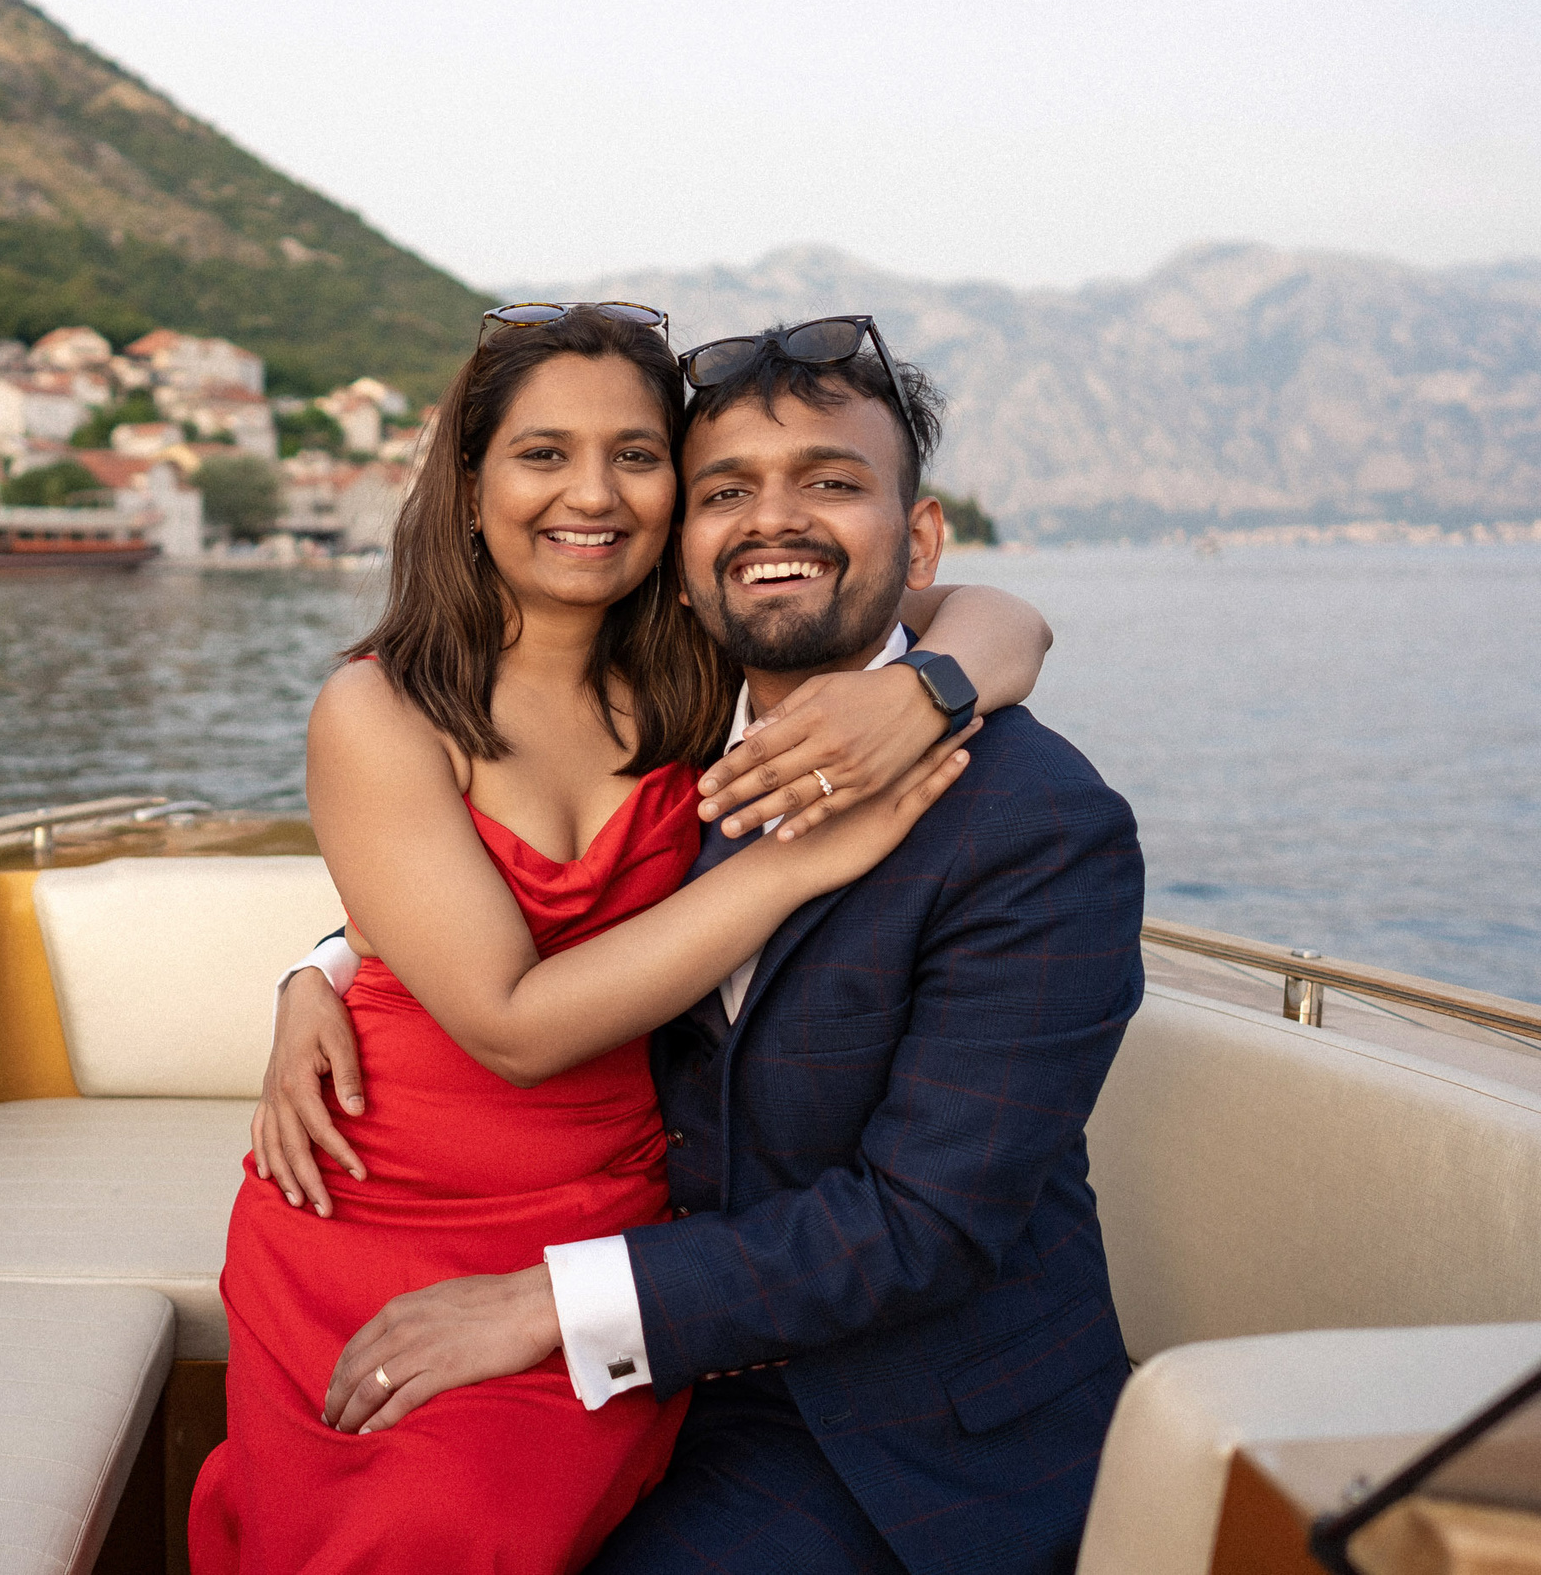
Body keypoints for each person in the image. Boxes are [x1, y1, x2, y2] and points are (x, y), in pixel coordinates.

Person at [260, 316, 1146, 1575]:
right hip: (630, 1319)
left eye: (832, 485)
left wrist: (549, 1306)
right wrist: (327, 964)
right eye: (727, 491)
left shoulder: (1030, 824)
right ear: (683, 554)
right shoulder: (682, 726)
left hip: (893, 1429)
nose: (773, 522)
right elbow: (520, 889)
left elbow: (925, 1227)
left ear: (922, 537)